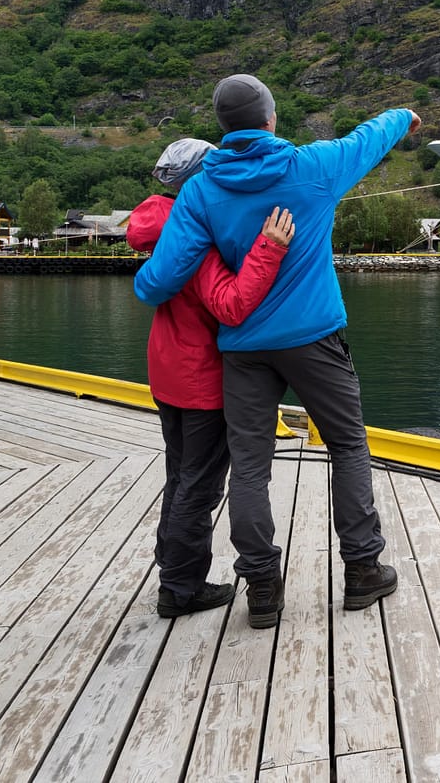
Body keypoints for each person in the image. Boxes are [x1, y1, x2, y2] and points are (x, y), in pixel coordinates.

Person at [134, 75, 419, 628]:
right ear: (270, 118)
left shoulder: (199, 192)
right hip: (315, 339)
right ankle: (363, 570)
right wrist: (402, 115)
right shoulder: (313, 167)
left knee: (249, 468)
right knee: (348, 447)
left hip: (242, 351)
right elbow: (370, 136)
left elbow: (156, 282)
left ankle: (262, 588)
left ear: (222, 127)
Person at [127, 138, 294, 618]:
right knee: (198, 486)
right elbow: (232, 304)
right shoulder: (194, 239)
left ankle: (174, 572)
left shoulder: (163, 228)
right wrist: (269, 248)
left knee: (180, 476)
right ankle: (179, 589)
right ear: (201, 181)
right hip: (200, 379)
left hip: (168, 371)